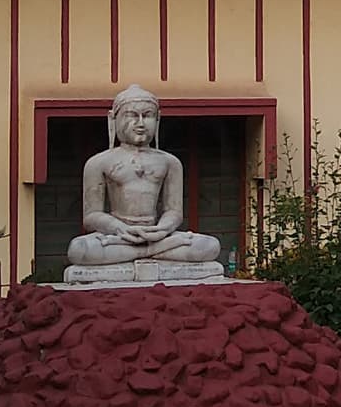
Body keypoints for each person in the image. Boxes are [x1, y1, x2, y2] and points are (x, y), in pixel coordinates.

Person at [62, 84, 227, 282]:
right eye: (131, 115)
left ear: (158, 120)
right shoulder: (99, 162)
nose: (140, 123)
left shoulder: (170, 162)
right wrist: (120, 228)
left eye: (147, 116)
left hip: (157, 235)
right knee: (79, 249)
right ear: (113, 119)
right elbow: (91, 216)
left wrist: (162, 229)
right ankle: (149, 254)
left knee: (209, 246)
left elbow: (174, 211)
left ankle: (140, 255)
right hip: (119, 237)